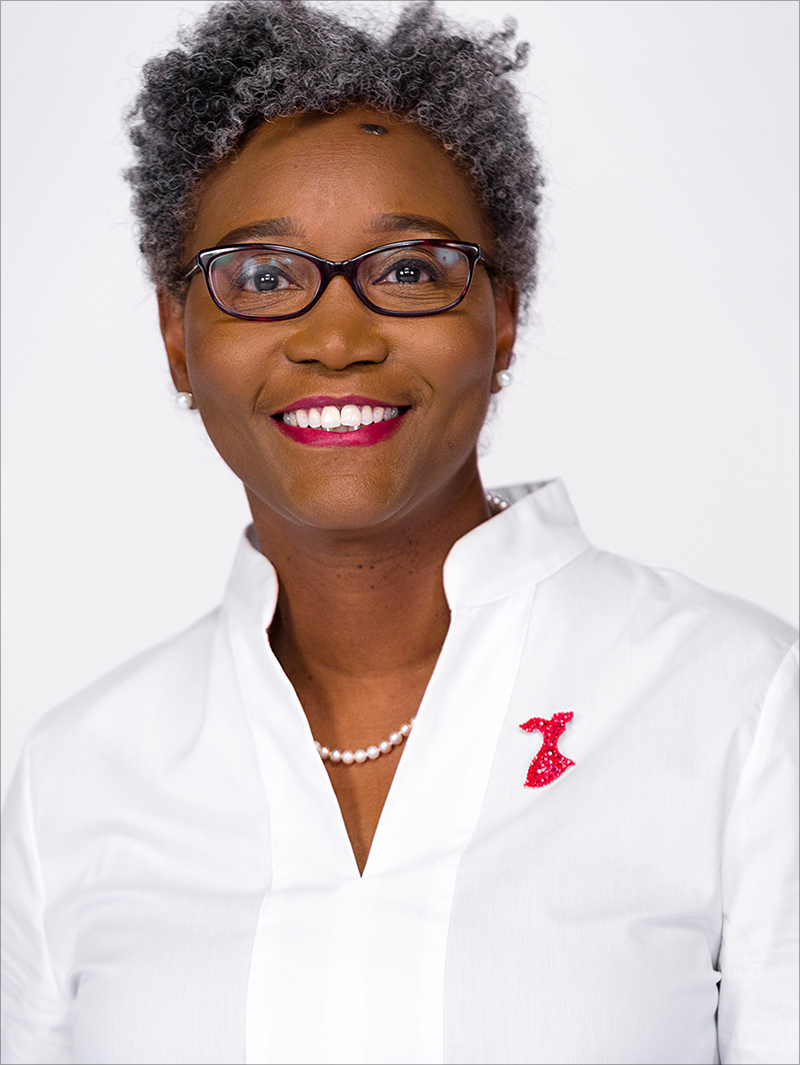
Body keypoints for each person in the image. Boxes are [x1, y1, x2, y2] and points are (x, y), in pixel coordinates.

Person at [1, 1, 797, 1063]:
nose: (336, 337)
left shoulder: (738, 705)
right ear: (176, 338)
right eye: (263, 277)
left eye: (409, 269)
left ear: (502, 316)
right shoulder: (78, 777)